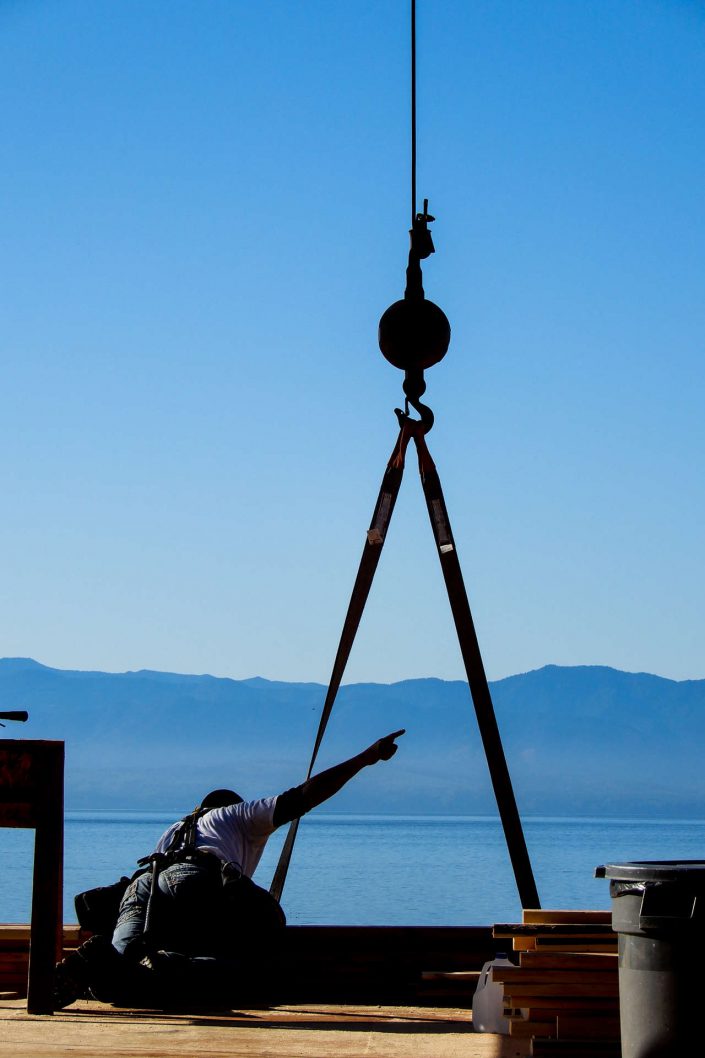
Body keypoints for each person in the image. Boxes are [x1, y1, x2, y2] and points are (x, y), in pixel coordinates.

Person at [53, 728, 405, 1009]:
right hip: (196, 879)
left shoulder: (173, 829)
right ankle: (175, 970)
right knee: (253, 957)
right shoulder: (236, 815)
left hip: (145, 883)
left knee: (118, 973)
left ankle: (98, 959)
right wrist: (366, 758)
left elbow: (157, 889)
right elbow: (302, 797)